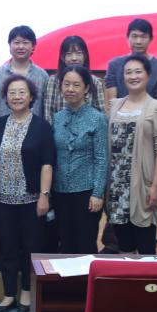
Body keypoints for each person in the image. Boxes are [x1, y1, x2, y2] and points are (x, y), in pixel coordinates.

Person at [0, 75, 54, 312]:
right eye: (12, 93)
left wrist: (44, 195)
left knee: (30, 247)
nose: (16, 97)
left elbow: (47, 164)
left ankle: (26, 291)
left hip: (31, 199)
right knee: (7, 247)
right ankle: (8, 294)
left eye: (22, 92)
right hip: (2, 198)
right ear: (6, 98)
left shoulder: (42, 127)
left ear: (31, 96)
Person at [105, 54, 157, 254]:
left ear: (148, 75)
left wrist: (156, 186)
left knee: (146, 246)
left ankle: (148, 276)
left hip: (143, 184)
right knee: (123, 246)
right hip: (117, 185)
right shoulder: (114, 105)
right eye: (128, 72)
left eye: (138, 72)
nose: (133, 76)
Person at [51, 65, 107, 254]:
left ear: (86, 88)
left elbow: (101, 158)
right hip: (60, 191)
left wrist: (98, 193)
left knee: (85, 244)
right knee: (65, 243)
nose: (70, 89)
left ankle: (87, 275)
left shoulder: (98, 118)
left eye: (76, 85)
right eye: (66, 84)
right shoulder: (57, 118)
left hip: (86, 192)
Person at [0, 25, 49, 121]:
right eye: (16, 43)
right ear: (10, 45)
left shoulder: (42, 75)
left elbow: (46, 111)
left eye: (25, 43)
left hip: (34, 128)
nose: (21, 47)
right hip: (3, 128)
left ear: (33, 46)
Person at [41, 35, 107, 124]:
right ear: (62, 57)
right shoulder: (53, 81)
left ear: (85, 56)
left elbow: (101, 113)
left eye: (78, 53)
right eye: (69, 54)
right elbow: (48, 113)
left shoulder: (95, 81)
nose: (74, 58)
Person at [105, 18, 157, 102]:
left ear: (150, 39)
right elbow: (112, 102)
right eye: (134, 36)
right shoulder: (114, 65)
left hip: (151, 110)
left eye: (143, 37)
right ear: (127, 38)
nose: (138, 42)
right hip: (121, 110)